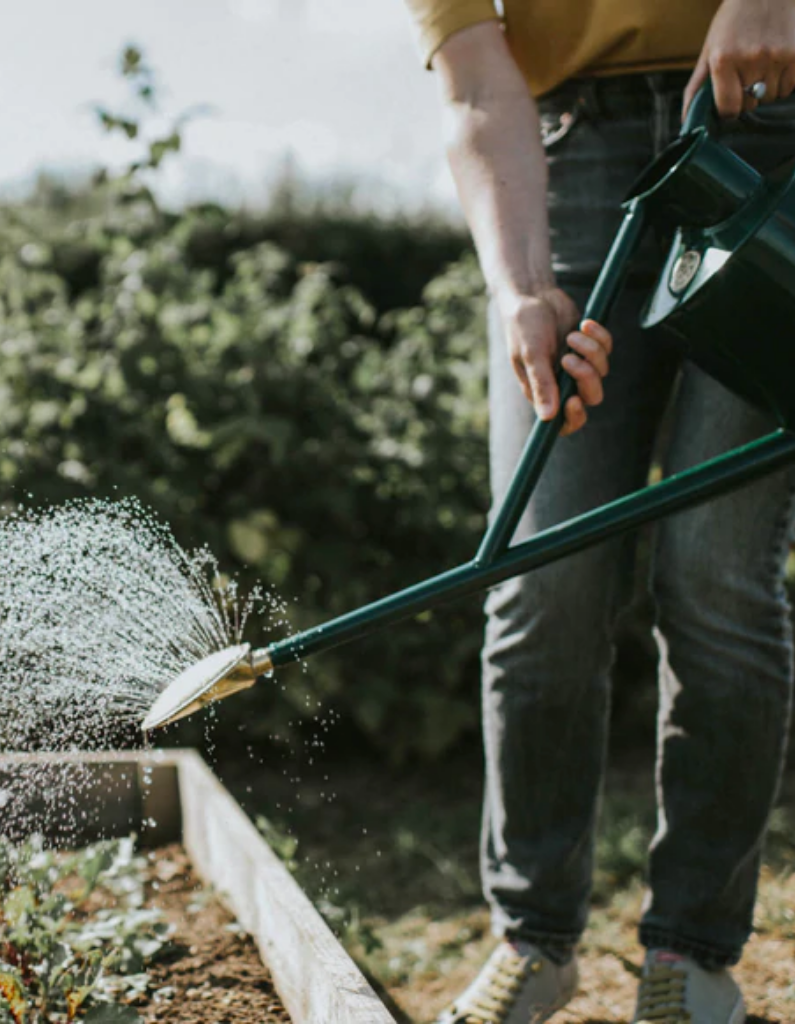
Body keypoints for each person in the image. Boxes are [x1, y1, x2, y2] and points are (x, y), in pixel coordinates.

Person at [401, 1, 795, 1022]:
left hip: (774, 116)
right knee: (543, 577)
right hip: (566, 162)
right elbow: (478, 82)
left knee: (714, 568)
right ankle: (533, 939)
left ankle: (690, 955)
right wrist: (520, 289)